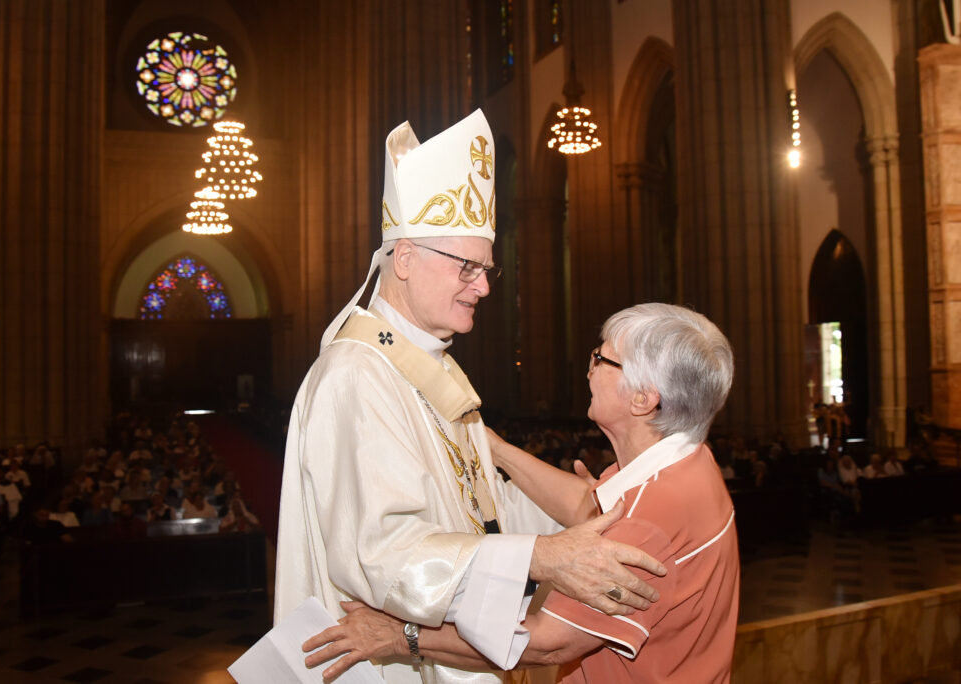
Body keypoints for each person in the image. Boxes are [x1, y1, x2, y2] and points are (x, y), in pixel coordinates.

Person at [276, 110, 666, 683]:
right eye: (466, 267)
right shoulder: (356, 375)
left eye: (487, 270)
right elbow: (381, 554)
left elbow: (482, 510)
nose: (482, 286)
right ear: (404, 259)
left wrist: (593, 514)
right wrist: (542, 557)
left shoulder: (431, 367)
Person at [305, 304, 740, 683]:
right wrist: (492, 449)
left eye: (602, 358)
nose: (589, 368)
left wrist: (400, 636)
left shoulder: (650, 517)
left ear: (643, 399)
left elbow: (546, 643)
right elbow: (584, 504)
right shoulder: (686, 463)